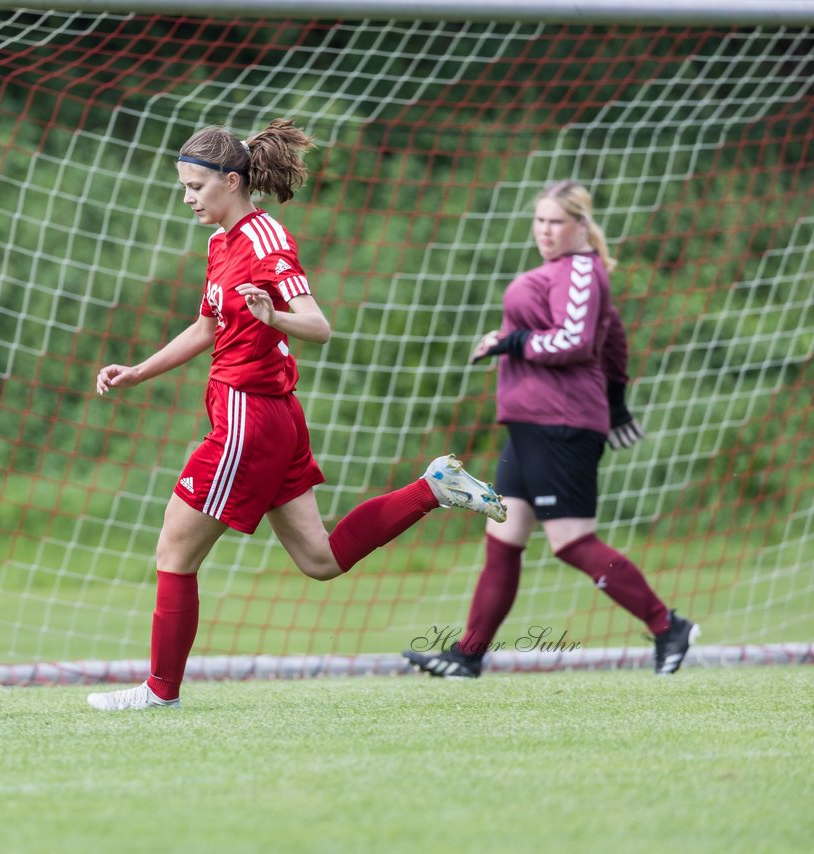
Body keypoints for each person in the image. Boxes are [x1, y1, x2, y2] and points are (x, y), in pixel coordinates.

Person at [87, 119, 507, 712]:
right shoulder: (220, 243)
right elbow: (208, 326)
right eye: (183, 186)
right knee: (321, 559)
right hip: (271, 417)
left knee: (174, 556)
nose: (187, 198)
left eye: (195, 187)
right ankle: (433, 487)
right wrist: (139, 371)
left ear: (231, 182)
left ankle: (161, 691)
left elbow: (318, 325)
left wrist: (274, 318)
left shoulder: (266, 241)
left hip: (247, 419)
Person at [403, 180, 699, 679]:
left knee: (572, 542)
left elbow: (575, 343)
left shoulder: (582, 269)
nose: (545, 230)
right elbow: (613, 335)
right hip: (530, 424)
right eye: (539, 221)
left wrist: (511, 342)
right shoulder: (562, 272)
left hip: (560, 422)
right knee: (504, 536)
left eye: (556, 222)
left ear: (581, 225)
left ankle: (668, 626)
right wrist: (615, 397)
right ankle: (467, 656)